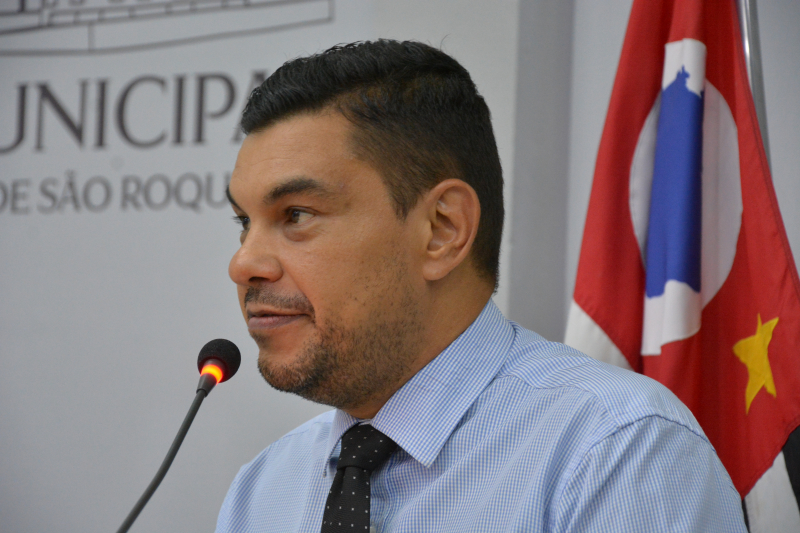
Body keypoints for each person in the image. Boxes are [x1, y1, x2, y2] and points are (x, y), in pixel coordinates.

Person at [217, 40, 746, 532]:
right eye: (244, 221)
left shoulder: (616, 451)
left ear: (442, 231)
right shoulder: (262, 489)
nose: (243, 264)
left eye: (296, 214)